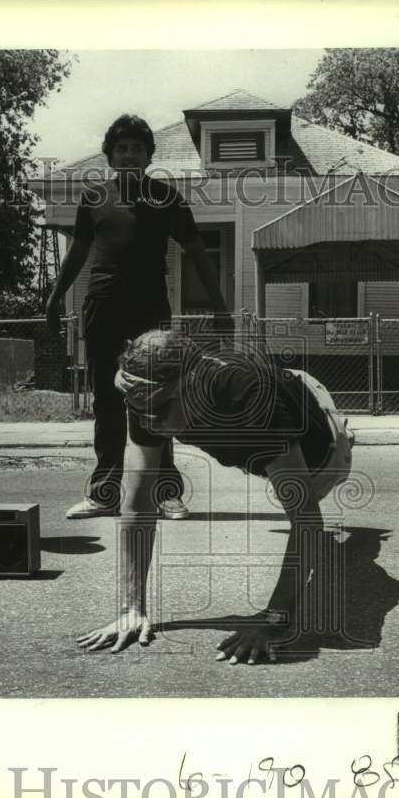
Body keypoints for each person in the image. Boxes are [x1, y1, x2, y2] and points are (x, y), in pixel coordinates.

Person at [76, 329, 355, 664]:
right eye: (139, 407)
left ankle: (347, 434)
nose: (150, 419)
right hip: (273, 419)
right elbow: (137, 504)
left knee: (323, 508)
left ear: (194, 382)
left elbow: (308, 520)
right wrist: (130, 609)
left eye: (161, 407)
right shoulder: (146, 395)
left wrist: (274, 620)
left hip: (322, 453)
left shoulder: (251, 399)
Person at [46, 114, 230, 521]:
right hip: (103, 308)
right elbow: (77, 254)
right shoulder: (93, 198)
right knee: (108, 401)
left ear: (149, 156)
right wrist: (55, 297)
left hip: (150, 312)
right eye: (122, 148)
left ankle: (165, 493)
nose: (129, 155)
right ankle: (104, 493)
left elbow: (199, 255)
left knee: (158, 401)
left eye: (137, 148)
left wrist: (220, 307)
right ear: (110, 156)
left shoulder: (167, 199)